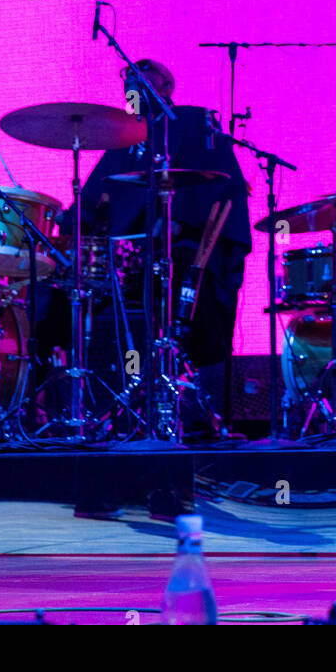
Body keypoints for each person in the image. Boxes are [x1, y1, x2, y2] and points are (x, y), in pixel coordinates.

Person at [34, 59, 251, 433]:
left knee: (171, 261)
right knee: (44, 282)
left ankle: (172, 397)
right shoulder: (122, 140)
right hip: (115, 259)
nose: (134, 87)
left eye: (144, 81)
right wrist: (63, 228)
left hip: (167, 254)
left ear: (167, 86)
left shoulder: (193, 126)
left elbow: (220, 192)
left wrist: (167, 226)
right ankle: (47, 402)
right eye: (130, 83)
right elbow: (92, 201)